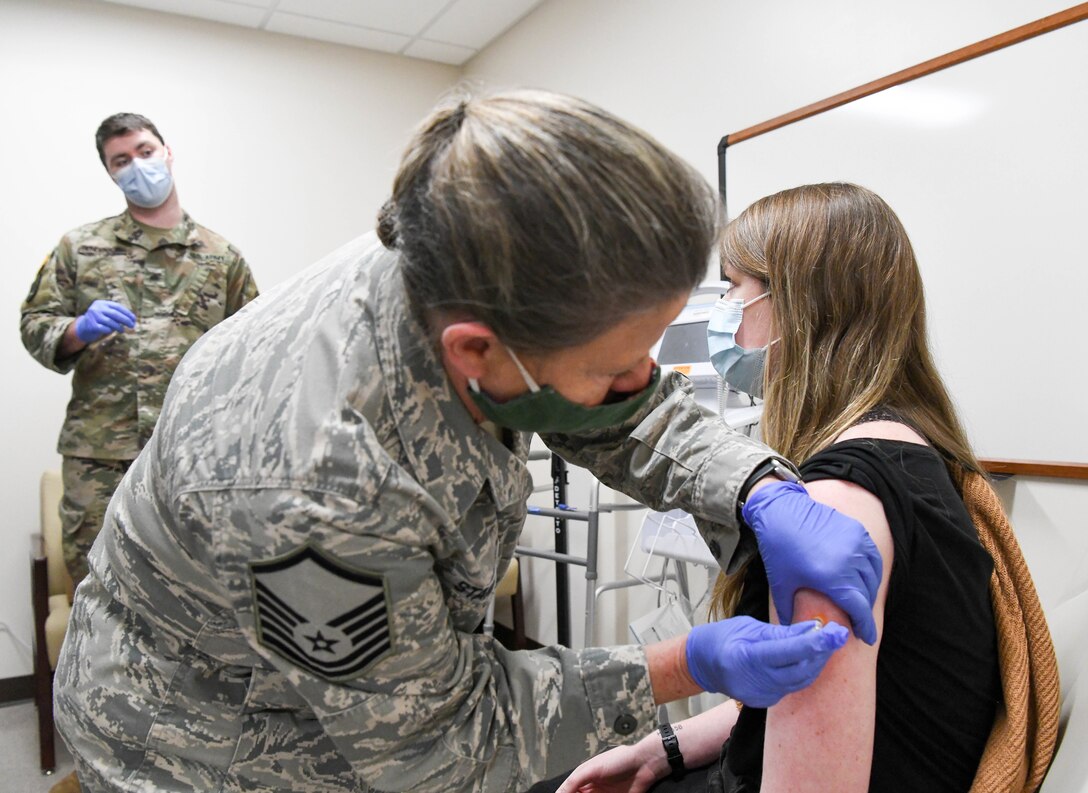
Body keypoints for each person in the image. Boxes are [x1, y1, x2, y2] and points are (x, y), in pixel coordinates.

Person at [54, 95, 880, 793]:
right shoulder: (315, 483)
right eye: (618, 361)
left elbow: (614, 403)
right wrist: (688, 662)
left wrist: (751, 485)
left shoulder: (467, 261)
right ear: (477, 352)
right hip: (199, 742)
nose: (646, 378)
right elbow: (438, 747)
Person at [543, 182, 1012, 793]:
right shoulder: (917, 447)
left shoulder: (840, 500)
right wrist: (665, 746)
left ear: (801, 305)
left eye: (734, 287)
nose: (723, 310)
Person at [20, 112, 259, 589]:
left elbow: (254, 350)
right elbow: (34, 325)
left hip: (191, 451)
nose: (137, 166)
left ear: (167, 153)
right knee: (99, 580)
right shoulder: (80, 247)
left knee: (196, 583)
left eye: (145, 152)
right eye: (121, 160)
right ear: (110, 172)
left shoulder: (221, 256)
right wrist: (77, 330)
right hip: (101, 454)